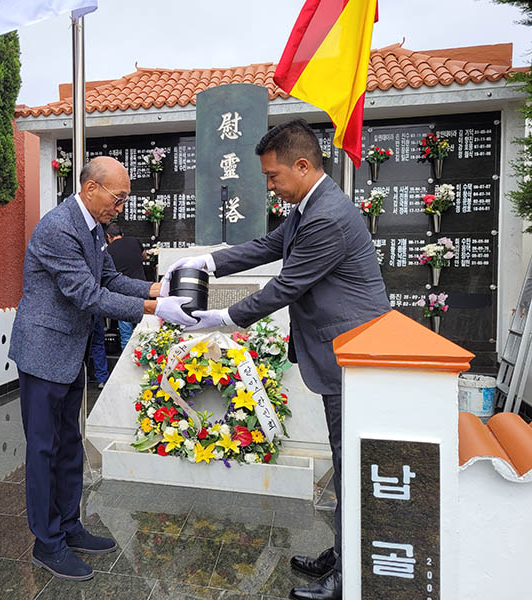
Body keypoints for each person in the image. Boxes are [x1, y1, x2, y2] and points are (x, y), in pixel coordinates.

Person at [163, 119, 391, 600]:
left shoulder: (327, 216)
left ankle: (349, 576)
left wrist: (219, 318)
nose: (269, 186)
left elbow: (287, 286)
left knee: (350, 460)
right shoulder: (312, 205)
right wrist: (210, 261)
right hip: (341, 350)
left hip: (352, 353)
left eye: (273, 177)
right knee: (344, 456)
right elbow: (269, 246)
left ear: (303, 166)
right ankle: (343, 550)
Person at [8, 156, 196, 582]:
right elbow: (86, 294)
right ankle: (47, 542)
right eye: (119, 196)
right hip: (42, 351)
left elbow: (110, 279)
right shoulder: (59, 228)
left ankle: (70, 527)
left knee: (71, 442)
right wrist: (155, 310)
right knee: (43, 448)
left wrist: (159, 287)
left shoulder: (93, 231)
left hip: (68, 351)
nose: (121, 206)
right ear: (91, 188)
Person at [105, 222, 148, 350]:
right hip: (141, 289)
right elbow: (144, 256)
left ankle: (127, 365)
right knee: (144, 332)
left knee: (126, 335)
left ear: (108, 236)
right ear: (122, 234)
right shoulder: (134, 241)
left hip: (123, 294)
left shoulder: (108, 250)